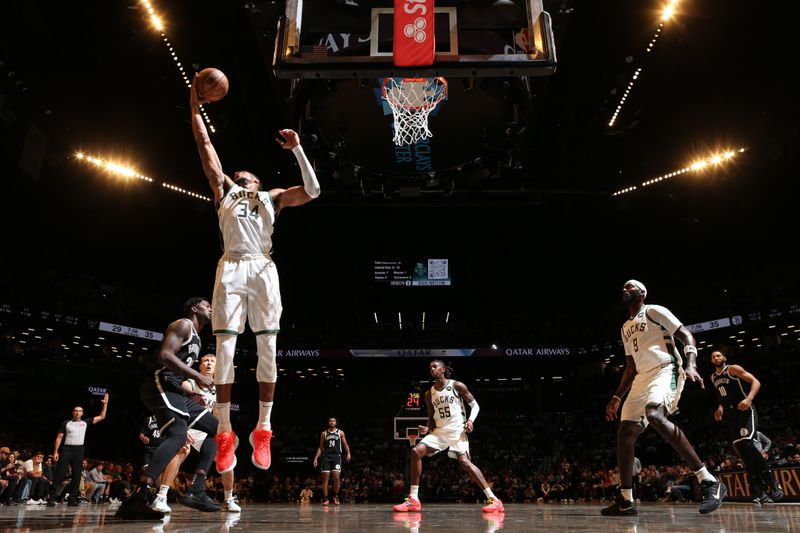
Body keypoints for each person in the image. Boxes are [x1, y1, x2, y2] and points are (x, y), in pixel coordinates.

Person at [190, 72, 321, 474]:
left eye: (251, 174)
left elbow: (313, 190)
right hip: (230, 265)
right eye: (240, 173)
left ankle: (263, 428)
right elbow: (205, 144)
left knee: (268, 350)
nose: (244, 174)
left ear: (259, 181)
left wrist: (298, 150)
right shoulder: (224, 190)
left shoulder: (272, 197)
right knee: (225, 350)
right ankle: (226, 430)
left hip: (263, 267)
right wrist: (194, 105)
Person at [603, 280, 726, 516]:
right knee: (625, 432)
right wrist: (617, 396)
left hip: (665, 369)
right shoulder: (624, 327)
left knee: (654, 414)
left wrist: (691, 364)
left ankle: (709, 480)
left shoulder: (654, 310)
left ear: (642, 293)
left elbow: (687, 336)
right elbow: (630, 367)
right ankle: (626, 499)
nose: (625, 289)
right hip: (640, 378)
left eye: (630, 287)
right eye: (623, 287)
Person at [115, 298, 220, 520]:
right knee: (179, 435)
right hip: (159, 382)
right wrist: (197, 375)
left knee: (215, 428)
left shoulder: (198, 338)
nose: (210, 309)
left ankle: (197, 488)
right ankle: (138, 495)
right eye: (206, 306)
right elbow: (164, 356)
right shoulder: (183, 324)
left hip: (175, 388)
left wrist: (191, 393)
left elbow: (179, 368)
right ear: (194, 309)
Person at [393, 360, 503, 513]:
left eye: (435, 366)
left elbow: (475, 405)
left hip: (457, 431)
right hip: (439, 432)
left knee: (465, 463)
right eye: (430, 367)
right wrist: (427, 428)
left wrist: (470, 420)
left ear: (443, 369)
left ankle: (494, 500)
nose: (432, 369)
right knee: (416, 451)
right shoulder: (428, 394)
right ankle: (414, 499)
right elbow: (432, 418)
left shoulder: (457, 386)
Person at [151, 353, 241, 514]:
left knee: (226, 456)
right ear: (199, 366)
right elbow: (179, 405)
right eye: (205, 360)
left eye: (213, 361)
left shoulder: (219, 389)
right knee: (182, 450)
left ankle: (228, 499)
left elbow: (218, 416)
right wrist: (183, 429)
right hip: (187, 423)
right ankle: (161, 497)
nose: (209, 363)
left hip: (205, 427)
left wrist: (226, 434)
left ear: (216, 367)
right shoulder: (190, 383)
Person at [710, 350, 784, 504]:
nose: (716, 358)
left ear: (724, 357)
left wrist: (749, 399)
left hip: (744, 411)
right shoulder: (713, 377)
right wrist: (721, 408)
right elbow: (723, 395)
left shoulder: (733, 369)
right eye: (713, 356)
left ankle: (772, 484)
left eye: (718, 355)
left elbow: (756, 382)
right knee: (743, 452)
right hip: (731, 415)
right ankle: (760, 491)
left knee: (749, 444)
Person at [46, 393, 108, 506]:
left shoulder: (85, 422)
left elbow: (102, 416)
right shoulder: (66, 423)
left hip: (79, 450)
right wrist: (55, 451)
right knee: (59, 474)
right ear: (72, 412)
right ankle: (52, 498)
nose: (77, 412)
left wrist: (105, 404)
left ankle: (72, 499)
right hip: (66, 449)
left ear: (82, 413)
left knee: (76, 475)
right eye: (75, 410)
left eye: (80, 411)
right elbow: (59, 437)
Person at [312, 417, 352, 505]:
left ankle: (335, 496)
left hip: (336, 457)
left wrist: (348, 453)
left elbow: (345, 444)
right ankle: (326, 498)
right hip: (326, 457)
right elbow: (320, 447)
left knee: (336, 477)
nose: (332, 422)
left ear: (336, 423)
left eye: (333, 421)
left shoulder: (340, 432)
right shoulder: (324, 433)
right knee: (325, 477)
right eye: (330, 421)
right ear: (328, 423)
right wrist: (316, 458)